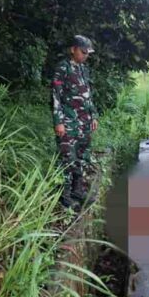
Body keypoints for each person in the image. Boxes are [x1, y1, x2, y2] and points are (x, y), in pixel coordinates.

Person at [52, 35, 99, 210]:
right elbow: (56, 96)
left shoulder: (83, 69)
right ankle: (64, 197)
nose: (85, 55)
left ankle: (77, 191)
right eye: (83, 52)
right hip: (68, 121)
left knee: (82, 157)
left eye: (88, 53)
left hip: (84, 122)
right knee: (67, 158)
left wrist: (93, 115)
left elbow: (88, 94)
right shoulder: (62, 68)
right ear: (73, 49)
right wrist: (58, 121)